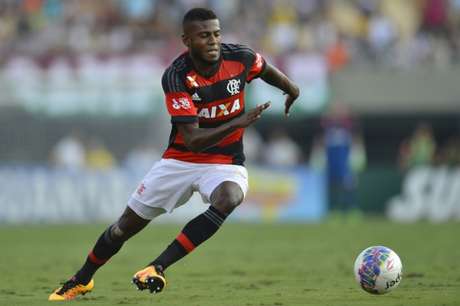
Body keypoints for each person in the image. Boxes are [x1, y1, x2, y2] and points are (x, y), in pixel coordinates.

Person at [48, 7, 299, 301]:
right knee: (122, 229)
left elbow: (265, 69)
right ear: (187, 40)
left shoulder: (239, 57)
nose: (213, 41)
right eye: (204, 36)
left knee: (229, 197)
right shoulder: (176, 77)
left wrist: (292, 89)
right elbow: (193, 141)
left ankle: (158, 266)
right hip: (180, 160)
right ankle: (82, 279)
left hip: (225, 162)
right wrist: (238, 122)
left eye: (216, 34)